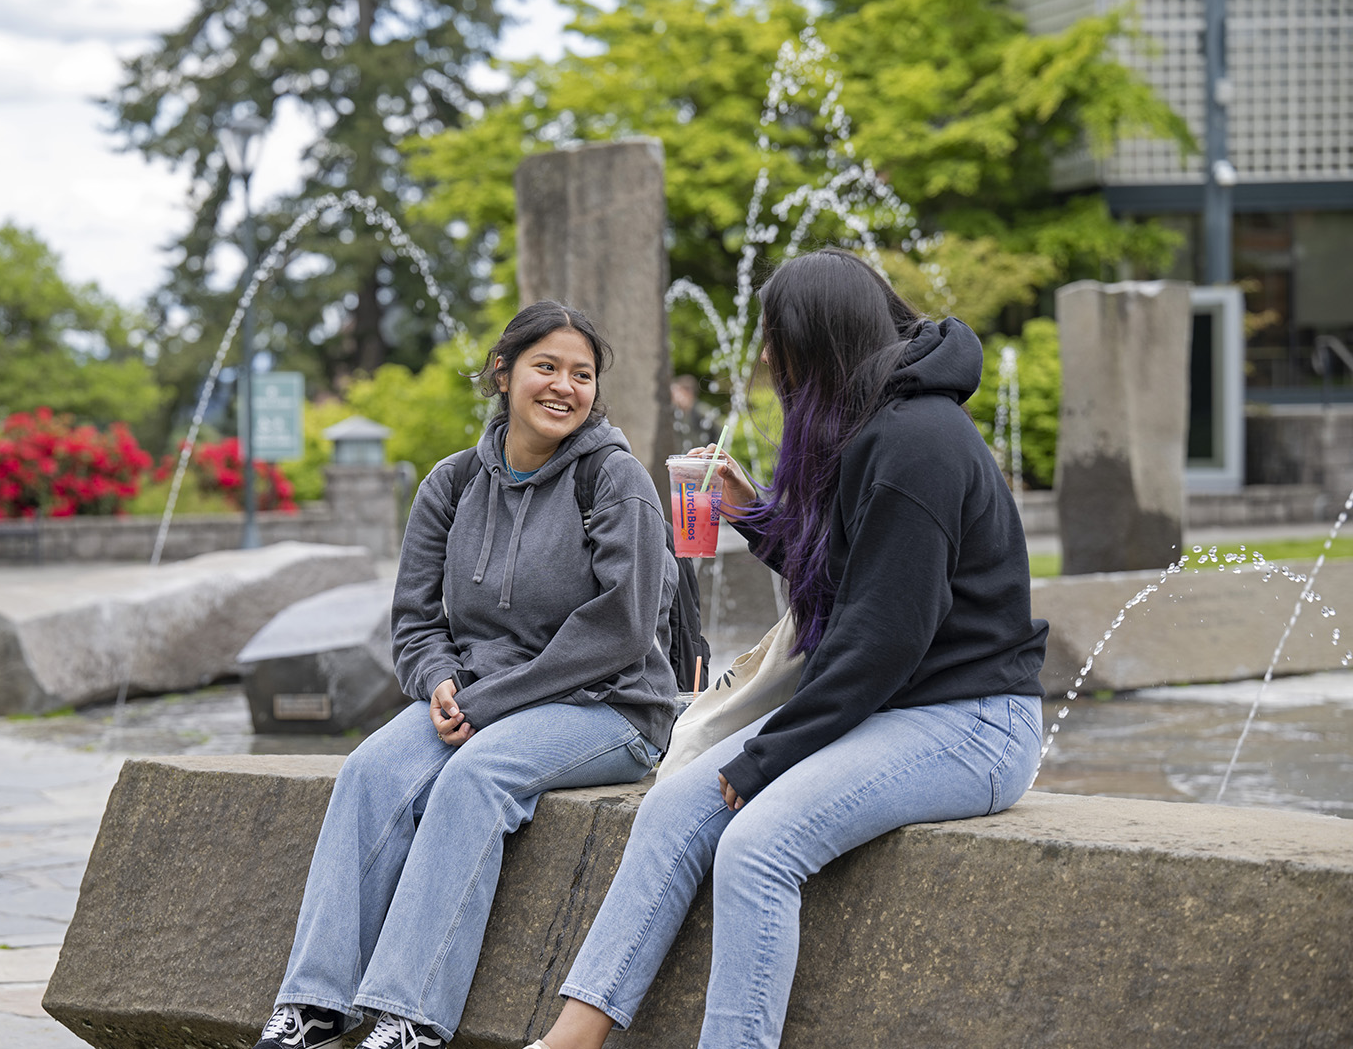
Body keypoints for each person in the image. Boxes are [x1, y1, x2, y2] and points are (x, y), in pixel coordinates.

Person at [523, 248, 1050, 1049]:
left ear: (817, 338)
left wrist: (764, 758)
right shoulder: (877, 423)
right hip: (901, 705)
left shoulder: (918, 442)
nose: (768, 358)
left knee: (758, 849)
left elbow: (882, 639)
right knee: (671, 806)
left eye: (776, 338)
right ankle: (572, 1036)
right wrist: (752, 513)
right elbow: (850, 581)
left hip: (972, 720)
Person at [255, 301, 680, 1049]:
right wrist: (439, 680)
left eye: (581, 374)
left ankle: (411, 1017)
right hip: (483, 698)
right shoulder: (450, 485)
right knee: (368, 769)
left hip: (611, 706)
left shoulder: (614, 480)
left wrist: (487, 702)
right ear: (503, 372)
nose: (564, 386)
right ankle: (315, 1006)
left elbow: (622, 628)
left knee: (474, 777)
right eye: (546, 366)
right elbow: (415, 623)